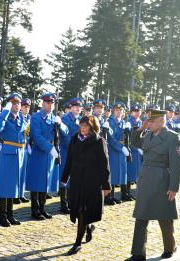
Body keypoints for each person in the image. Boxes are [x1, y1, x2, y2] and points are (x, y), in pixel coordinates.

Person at [125, 109, 180, 261]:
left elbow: (177, 165)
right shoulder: (148, 135)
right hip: (145, 180)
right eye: (148, 121)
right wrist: (141, 128)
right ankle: (138, 253)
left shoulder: (172, 138)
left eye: (151, 121)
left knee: (164, 216)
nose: (148, 123)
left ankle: (170, 247)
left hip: (162, 179)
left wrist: (174, 187)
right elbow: (134, 142)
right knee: (141, 216)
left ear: (161, 122)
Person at [61, 116, 111, 255]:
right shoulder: (74, 139)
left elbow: (104, 164)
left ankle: (77, 243)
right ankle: (88, 227)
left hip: (91, 182)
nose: (83, 128)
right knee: (77, 210)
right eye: (81, 125)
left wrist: (106, 184)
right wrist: (65, 176)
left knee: (83, 210)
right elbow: (69, 159)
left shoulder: (99, 141)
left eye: (86, 125)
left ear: (92, 126)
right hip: (76, 180)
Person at [26, 93, 69, 220]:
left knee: (46, 181)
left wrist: (61, 124)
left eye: (52, 103)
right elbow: (36, 137)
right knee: (37, 182)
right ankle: (35, 209)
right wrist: (50, 149)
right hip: (40, 152)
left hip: (51, 153)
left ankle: (42, 208)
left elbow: (66, 133)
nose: (50, 105)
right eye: (48, 103)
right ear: (42, 103)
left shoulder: (54, 117)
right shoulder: (36, 118)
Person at [0, 93, 29, 226]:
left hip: (20, 153)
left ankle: (10, 214)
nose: (17, 105)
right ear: (9, 104)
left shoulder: (22, 118)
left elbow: (25, 133)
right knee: (5, 185)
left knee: (14, 185)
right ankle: (2, 216)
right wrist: (5, 111)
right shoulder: (4, 117)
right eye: (14, 103)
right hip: (8, 153)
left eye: (19, 103)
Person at [59, 97, 83, 214]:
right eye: (75, 106)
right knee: (65, 176)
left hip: (78, 152)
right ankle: (63, 204)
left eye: (79, 107)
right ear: (71, 107)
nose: (78, 108)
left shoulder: (82, 120)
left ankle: (71, 201)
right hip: (66, 151)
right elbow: (65, 136)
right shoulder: (65, 118)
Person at [106, 102, 131, 204]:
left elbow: (126, 139)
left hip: (121, 150)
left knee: (121, 172)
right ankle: (109, 196)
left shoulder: (123, 123)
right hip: (113, 150)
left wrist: (128, 131)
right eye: (117, 110)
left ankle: (121, 194)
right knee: (112, 173)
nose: (119, 112)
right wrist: (121, 148)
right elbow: (111, 139)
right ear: (113, 111)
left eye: (121, 110)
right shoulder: (110, 122)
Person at [13, 98, 32, 204]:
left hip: (26, 147)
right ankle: (15, 195)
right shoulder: (18, 117)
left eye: (28, 107)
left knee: (23, 173)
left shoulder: (30, 118)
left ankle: (21, 194)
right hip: (18, 146)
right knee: (17, 173)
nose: (27, 109)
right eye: (25, 107)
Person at [127, 103, 143, 200]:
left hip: (139, 151)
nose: (137, 113)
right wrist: (136, 148)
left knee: (138, 172)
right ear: (131, 112)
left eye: (138, 111)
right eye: (135, 111)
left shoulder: (141, 122)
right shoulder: (129, 122)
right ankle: (127, 192)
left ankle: (137, 192)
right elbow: (128, 139)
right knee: (130, 171)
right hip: (132, 150)